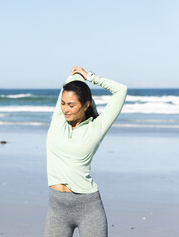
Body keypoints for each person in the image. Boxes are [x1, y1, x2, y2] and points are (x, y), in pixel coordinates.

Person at [44, 66, 127, 237]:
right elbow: (73, 77)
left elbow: (121, 90)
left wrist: (90, 76)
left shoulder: (97, 127)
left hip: (88, 208)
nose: (65, 109)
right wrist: (77, 73)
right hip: (57, 208)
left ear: (86, 105)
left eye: (71, 105)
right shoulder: (59, 119)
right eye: (63, 103)